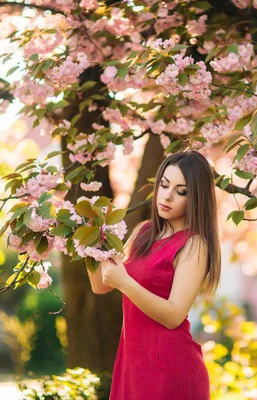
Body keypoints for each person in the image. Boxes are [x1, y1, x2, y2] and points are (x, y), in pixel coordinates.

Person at [86, 150, 221, 399]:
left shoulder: (194, 244)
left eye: (181, 191)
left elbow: (173, 316)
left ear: (197, 198)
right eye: (164, 185)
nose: (167, 196)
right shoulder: (143, 232)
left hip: (170, 366)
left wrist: (125, 283)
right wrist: (88, 242)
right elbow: (101, 286)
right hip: (132, 362)